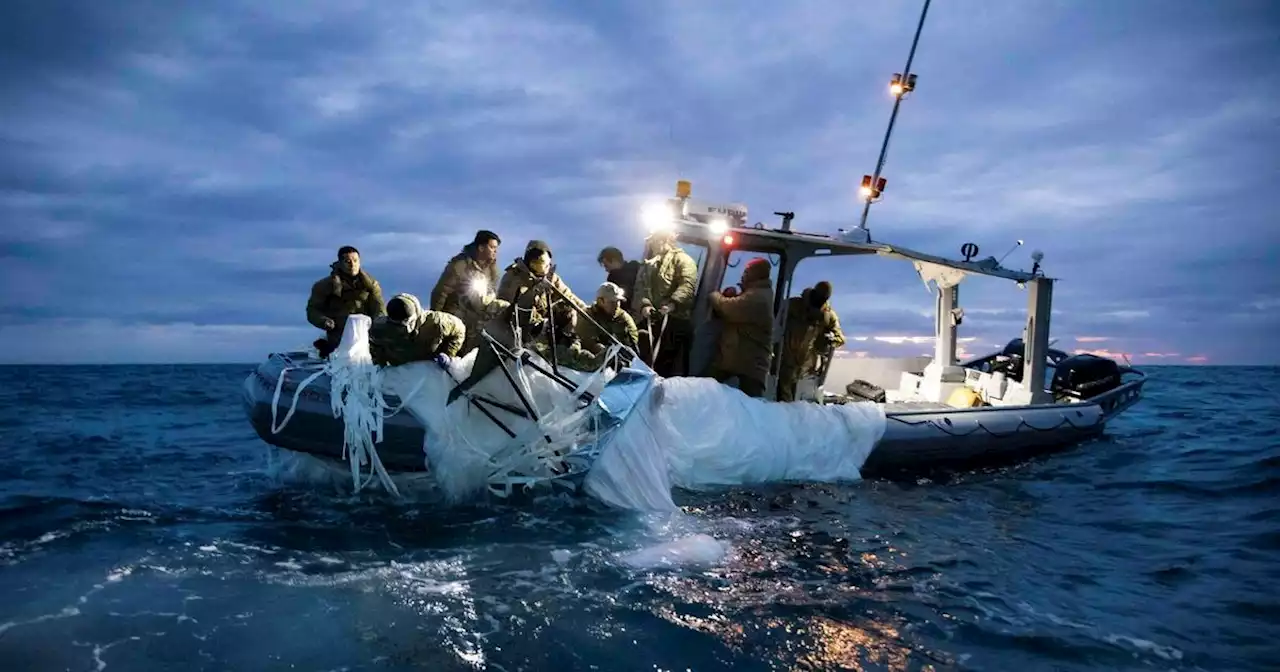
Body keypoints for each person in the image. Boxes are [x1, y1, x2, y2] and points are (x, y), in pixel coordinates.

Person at [707, 258, 775, 398]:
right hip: (742, 363)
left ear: (755, 274)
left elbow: (728, 308)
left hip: (749, 367)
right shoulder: (756, 293)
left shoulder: (758, 297)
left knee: (747, 410)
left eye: (746, 272)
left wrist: (715, 295)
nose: (743, 275)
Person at [632, 231, 697, 376]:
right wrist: (645, 305)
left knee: (669, 365)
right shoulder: (648, 264)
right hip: (652, 321)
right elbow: (640, 287)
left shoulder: (684, 261)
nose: (651, 245)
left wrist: (673, 303)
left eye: (654, 241)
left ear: (663, 240)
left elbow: (687, 285)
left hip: (675, 321)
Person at [306, 245, 385, 358]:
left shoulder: (370, 285)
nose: (352, 265)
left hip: (366, 336)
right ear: (340, 263)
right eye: (347, 261)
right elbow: (312, 310)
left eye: (355, 260)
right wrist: (323, 321)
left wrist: (379, 325)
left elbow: (379, 308)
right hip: (338, 336)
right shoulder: (325, 286)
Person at [430, 230, 502, 354]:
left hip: (478, 311)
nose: (495, 251)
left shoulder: (492, 268)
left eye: (496, 248)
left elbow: (492, 290)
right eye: (492, 247)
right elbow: (441, 291)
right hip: (456, 311)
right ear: (480, 247)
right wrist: (436, 318)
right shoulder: (460, 265)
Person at [776, 281, 846, 402]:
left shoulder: (828, 316)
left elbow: (840, 338)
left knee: (800, 397)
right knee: (783, 393)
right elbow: (776, 320)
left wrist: (830, 339)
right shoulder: (793, 305)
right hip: (785, 359)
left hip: (807, 366)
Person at [368, 293, 466, 367]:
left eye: (409, 322)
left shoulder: (437, 323)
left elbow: (459, 330)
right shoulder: (380, 328)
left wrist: (448, 354)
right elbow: (374, 346)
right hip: (400, 374)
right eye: (399, 325)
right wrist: (381, 366)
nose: (406, 329)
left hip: (431, 370)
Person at [533, 302, 607, 373]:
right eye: (575, 315)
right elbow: (592, 364)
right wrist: (608, 351)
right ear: (571, 321)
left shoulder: (541, 337)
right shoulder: (566, 350)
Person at [577, 281, 639, 357]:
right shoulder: (587, 316)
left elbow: (633, 337)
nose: (616, 305)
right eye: (612, 302)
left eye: (618, 301)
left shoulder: (623, 317)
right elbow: (586, 341)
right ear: (600, 301)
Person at [597, 246, 642, 311]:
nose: (606, 269)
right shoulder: (636, 266)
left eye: (606, 265)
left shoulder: (613, 278)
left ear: (614, 260)